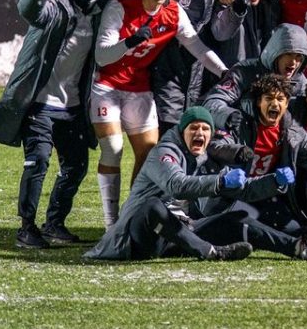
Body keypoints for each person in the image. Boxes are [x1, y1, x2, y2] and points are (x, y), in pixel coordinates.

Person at [92, 0, 227, 226]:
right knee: (114, 148)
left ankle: (131, 217)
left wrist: (225, 72)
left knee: (149, 152)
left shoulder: (174, 11)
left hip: (139, 89)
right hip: (107, 86)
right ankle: (110, 222)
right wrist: (130, 41)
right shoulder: (120, 6)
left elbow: (197, 47)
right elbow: (102, 57)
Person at [0, 0, 107, 248]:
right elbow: (30, 9)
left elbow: (126, 7)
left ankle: (55, 223)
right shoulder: (55, 5)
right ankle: (26, 227)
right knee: (38, 162)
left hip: (72, 108)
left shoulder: (97, 15)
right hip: (39, 103)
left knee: (76, 166)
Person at [200, 74, 307, 260]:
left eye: (280, 99)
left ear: (287, 103)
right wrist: (236, 151)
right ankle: (297, 248)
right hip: (231, 194)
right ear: (258, 102)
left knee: (295, 228)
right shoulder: (241, 122)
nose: (275, 104)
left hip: (264, 194)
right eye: (269, 99)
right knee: (244, 220)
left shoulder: (290, 129)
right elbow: (215, 145)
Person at [84, 107, 260, 262]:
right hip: (139, 238)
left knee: (240, 216)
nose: (200, 133)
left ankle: (288, 245)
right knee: (152, 206)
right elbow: (177, 186)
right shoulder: (164, 151)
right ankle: (210, 251)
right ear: (182, 131)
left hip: (175, 231)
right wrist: (221, 181)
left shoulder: (203, 157)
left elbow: (246, 188)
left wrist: (275, 182)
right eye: (194, 128)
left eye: (205, 129)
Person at [150, 0, 232, 135]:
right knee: (169, 125)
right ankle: (163, 162)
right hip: (169, 58)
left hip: (199, 61)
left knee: (192, 123)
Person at [200, 23, 307, 115]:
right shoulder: (244, 72)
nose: (293, 62)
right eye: (288, 54)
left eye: (299, 57)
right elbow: (213, 101)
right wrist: (229, 116)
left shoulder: (300, 82)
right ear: (275, 53)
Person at [206, 0, 281, 68]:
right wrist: (236, 11)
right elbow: (220, 33)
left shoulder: (267, 5)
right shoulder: (225, 0)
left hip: (256, 75)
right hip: (229, 77)